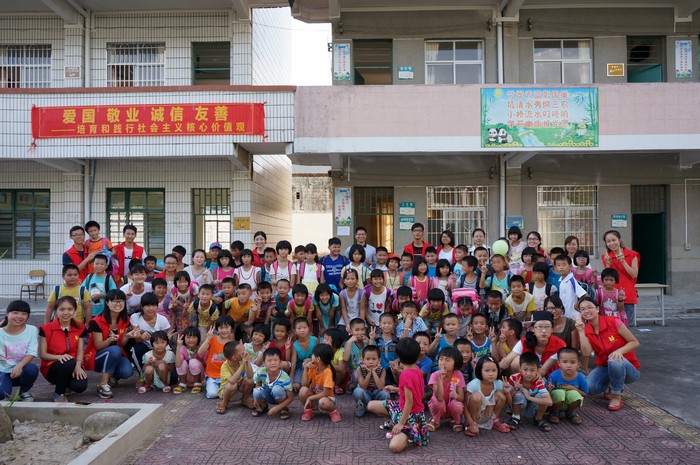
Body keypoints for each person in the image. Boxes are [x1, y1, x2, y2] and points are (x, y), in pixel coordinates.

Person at [576, 296, 640, 411]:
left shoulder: (613, 321)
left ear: (597, 309)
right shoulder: (587, 330)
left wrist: (619, 351)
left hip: (628, 368)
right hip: (606, 367)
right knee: (589, 387)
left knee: (614, 360)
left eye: (590, 307)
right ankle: (609, 386)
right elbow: (586, 353)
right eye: (583, 309)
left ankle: (616, 394)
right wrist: (581, 331)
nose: (586, 311)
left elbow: (634, 342)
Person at [367, 338, 429, 452]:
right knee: (371, 405)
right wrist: (397, 389)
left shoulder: (405, 375)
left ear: (399, 357)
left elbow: (409, 402)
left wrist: (401, 424)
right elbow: (415, 392)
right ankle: (397, 423)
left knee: (394, 447)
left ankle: (407, 431)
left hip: (411, 415)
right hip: (402, 408)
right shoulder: (416, 369)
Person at [84, 290, 135, 399]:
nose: (118, 304)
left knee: (127, 371)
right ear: (107, 303)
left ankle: (110, 377)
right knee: (115, 349)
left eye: (121, 301)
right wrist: (109, 340)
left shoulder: (125, 320)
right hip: (97, 357)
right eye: (114, 301)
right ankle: (102, 384)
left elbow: (122, 343)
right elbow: (98, 346)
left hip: (115, 354)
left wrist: (127, 336)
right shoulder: (97, 321)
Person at [38, 296, 88, 402]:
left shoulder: (80, 327)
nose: (66, 313)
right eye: (62, 309)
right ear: (56, 311)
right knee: (69, 361)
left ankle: (65, 384)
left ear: (75, 311)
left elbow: (80, 351)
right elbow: (43, 354)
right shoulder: (46, 329)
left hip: (73, 364)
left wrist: (78, 366)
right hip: (52, 367)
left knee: (80, 386)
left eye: (70, 309)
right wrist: (59, 357)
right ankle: (58, 393)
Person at [499, 311, 567, 377]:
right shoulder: (524, 342)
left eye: (547, 327)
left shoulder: (560, 345)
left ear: (552, 329)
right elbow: (506, 361)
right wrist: (500, 365)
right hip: (527, 377)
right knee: (516, 361)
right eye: (540, 327)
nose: (544, 331)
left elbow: (543, 370)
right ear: (532, 329)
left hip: (551, 378)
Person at [0, 300, 38, 401]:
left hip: (21, 370)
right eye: (15, 312)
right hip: (2, 371)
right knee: (2, 394)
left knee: (32, 369)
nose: (19, 316)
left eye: (24, 314)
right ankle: (5, 388)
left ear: (28, 316)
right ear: (7, 314)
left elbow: (31, 352)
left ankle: (24, 391)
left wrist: (20, 365)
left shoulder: (32, 330)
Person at [505, 352, 553, 432]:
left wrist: (529, 397)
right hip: (518, 408)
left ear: (538, 370)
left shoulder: (539, 381)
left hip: (533, 408)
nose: (528, 373)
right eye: (525, 369)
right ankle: (516, 417)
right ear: (520, 369)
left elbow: (549, 402)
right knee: (518, 394)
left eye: (532, 370)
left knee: (542, 396)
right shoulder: (513, 378)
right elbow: (507, 401)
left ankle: (538, 418)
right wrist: (513, 390)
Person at [464, 355, 510, 436]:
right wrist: (471, 422)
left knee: (501, 395)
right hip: (474, 415)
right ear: (480, 371)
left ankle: (494, 420)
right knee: (476, 396)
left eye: (494, 370)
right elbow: (464, 405)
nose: (491, 374)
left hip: (488, 413)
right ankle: (472, 424)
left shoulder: (498, 383)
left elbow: (509, 403)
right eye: (487, 371)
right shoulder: (474, 384)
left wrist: (507, 392)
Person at [601, 230, 640, 325]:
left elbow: (634, 274)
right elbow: (606, 278)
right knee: (610, 325)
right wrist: (608, 264)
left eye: (614, 240)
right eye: (608, 241)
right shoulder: (606, 257)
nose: (611, 243)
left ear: (619, 240)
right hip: (610, 296)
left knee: (626, 325)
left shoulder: (632, 254)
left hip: (627, 294)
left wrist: (623, 261)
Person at [129, 292, 171, 380]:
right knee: (137, 348)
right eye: (147, 305)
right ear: (142, 306)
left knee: (172, 378)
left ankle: (157, 375)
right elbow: (137, 337)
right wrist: (141, 336)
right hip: (145, 348)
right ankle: (142, 375)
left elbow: (164, 339)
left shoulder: (163, 320)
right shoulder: (135, 317)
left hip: (160, 348)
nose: (151, 308)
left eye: (153, 305)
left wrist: (167, 339)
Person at [427, 347, 466, 432]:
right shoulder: (435, 375)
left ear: (455, 363)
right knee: (439, 403)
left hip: (451, 407)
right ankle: (436, 420)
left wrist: (456, 396)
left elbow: (462, 398)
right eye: (441, 359)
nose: (443, 363)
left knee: (456, 405)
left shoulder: (458, 374)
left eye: (447, 360)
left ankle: (456, 420)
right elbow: (439, 398)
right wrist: (440, 380)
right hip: (439, 406)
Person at [299, 343, 341, 422]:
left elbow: (325, 393)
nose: (311, 356)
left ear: (318, 359)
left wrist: (310, 398)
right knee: (302, 391)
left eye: (313, 355)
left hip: (326, 398)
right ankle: (309, 409)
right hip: (315, 395)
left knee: (323, 402)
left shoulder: (328, 372)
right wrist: (305, 368)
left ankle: (333, 411)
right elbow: (304, 384)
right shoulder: (314, 368)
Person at [547, 347, 588, 425]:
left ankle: (570, 413)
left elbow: (585, 394)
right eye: (565, 362)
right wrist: (549, 389)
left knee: (574, 394)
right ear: (559, 363)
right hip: (555, 402)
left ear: (578, 364)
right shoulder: (554, 375)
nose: (568, 365)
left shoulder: (580, 377)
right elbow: (546, 392)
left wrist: (574, 389)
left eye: (572, 362)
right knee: (558, 392)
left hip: (570, 403)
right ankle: (554, 413)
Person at [252, 347, 294, 420]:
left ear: (280, 363)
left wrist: (277, 408)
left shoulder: (284, 377)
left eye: (275, 360)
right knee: (256, 391)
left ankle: (283, 408)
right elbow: (258, 385)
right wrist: (256, 400)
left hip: (280, 397)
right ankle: (262, 406)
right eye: (269, 360)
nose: (272, 363)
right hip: (268, 394)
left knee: (277, 389)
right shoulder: (261, 372)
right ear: (264, 363)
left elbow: (290, 398)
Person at [200, 315, 236, 399]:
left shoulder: (232, 343)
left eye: (226, 327)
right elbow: (200, 352)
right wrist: (208, 339)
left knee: (226, 394)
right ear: (217, 329)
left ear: (231, 328)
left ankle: (221, 390)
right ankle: (211, 384)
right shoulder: (212, 339)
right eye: (221, 328)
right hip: (212, 375)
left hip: (226, 376)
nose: (224, 330)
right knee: (212, 394)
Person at [217, 340, 254, 413]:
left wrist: (248, 361)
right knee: (232, 385)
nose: (245, 352)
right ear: (234, 358)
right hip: (228, 393)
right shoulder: (225, 366)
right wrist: (242, 365)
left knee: (250, 380)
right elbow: (232, 381)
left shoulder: (241, 360)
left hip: (239, 389)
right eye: (242, 351)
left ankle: (245, 400)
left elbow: (250, 375)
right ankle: (224, 403)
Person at [353, 345, 389, 417]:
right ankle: (362, 406)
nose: (371, 362)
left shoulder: (382, 370)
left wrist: (374, 372)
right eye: (368, 359)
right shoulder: (360, 369)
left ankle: (379, 408)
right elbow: (363, 386)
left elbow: (381, 387)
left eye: (374, 359)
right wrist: (369, 372)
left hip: (377, 394)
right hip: (365, 394)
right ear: (363, 360)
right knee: (358, 391)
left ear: (379, 360)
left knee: (385, 393)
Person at [84, 254, 118, 319]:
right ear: (93, 264)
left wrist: (101, 296)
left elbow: (113, 294)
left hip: (104, 312)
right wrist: (88, 296)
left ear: (106, 266)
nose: (99, 266)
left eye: (102, 264)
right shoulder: (89, 277)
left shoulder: (108, 278)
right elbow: (82, 290)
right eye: (97, 264)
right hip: (89, 311)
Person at [553, 255, 587, 319]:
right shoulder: (561, 281)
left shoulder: (571, 281)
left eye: (564, 265)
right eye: (558, 265)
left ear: (570, 266)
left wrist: (577, 304)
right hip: (564, 315)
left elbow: (585, 295)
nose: (561, 267)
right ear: (555, 268)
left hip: (573, 316)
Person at [290, 317, 319, 391]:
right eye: (299, 328)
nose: (302, 330)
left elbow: (319, 355)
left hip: (314, 366)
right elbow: (293, 363)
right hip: (300, 369)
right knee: (297, 386)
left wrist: (311, 359)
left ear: (309, 328)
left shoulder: (315, 340)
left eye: (304, 327)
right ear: (295, 330)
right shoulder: (295, 345)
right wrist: (291, 380)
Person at [342, 318, 368, 389]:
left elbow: (374, 356)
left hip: (367, 369)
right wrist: (349, 343)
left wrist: (369, 343)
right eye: (357, 330)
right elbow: (345, 359)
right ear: (351, 331)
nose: (360, 332)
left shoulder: (367, 341)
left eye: (362, 329)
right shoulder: (348, 343)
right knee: (356, 374)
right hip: (353, 370)